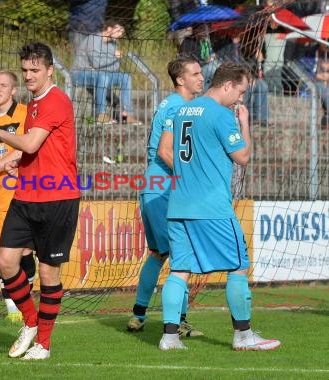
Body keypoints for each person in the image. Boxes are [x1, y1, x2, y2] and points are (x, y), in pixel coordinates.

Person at [159, 61, 281, 351]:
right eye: (240, 92)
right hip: (211, 207)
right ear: (227, 86)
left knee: (179, 269)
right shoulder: (222, 115)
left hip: (178, 204)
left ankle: (169, 337)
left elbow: (173, 150)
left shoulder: (184, 110)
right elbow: (242, 156)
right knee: (239, 265)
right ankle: (244, 335)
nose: (240, 99)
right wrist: (244, 124)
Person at [0, 42, 80, 360]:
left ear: (50, 70)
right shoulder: (34, 103)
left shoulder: (55, 100)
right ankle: (31, 321)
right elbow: (30, 147)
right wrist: (15, 158)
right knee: (6, 262)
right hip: (26, 195)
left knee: (50, 275)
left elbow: (32, 142)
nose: (29, 76)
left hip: (57, 198)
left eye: (35, 70)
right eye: (25, 70)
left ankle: (44, 345)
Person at [127, 57, 204, 337]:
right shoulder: (178, 107)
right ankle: (179, 322)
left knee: (160, 254)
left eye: (201, 73)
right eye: (195, 73)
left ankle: (138, 314)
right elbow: (164, 151)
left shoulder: (172, 104)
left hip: (155, 187)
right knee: (180, 255)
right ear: (180, 80)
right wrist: (191, 178)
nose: (201, 77)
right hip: (163, 189)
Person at [0, 70, 36, 322]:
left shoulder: (25, 114)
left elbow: (25, 149)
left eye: (4, 85)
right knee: (2, 255)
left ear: (13, 90)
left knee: (25, 252)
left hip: (24, 194)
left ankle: (27, 298)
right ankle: (13, 311)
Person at [71, 19, 138, 124]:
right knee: (103, 76)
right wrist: (114, 57)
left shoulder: (113, 44)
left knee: (126, 77)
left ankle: (127, 114)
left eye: (122, 32)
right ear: (109, 29)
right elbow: (97, 63)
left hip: (100, 74)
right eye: (118, 31)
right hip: (80, 74)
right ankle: (101, 114)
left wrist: (112, 60)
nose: (120, 34)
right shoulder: (93, 39)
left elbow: (116, 67)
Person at [217, 32, 269, 126]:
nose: (238, 31)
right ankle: (246, 117)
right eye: (236, 29)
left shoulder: (246, 45)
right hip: (232, 76)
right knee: (245, 86)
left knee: (262, 85)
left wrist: (257, 59)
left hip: (246, 76)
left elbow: (248, 64)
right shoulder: (224, 44)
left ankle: (261, 118)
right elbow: (228, 63)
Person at [179, 23, 219, 91]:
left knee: (218, 66)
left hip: (204, 66)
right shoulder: (188, 41)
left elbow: (209, 54)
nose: (205, 33)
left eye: (206, 30)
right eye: (203, 31)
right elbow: (187, 59)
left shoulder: (204, 42)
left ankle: (208, 91)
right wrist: (206, 60)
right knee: (213, 69)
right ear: (196, 31)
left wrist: (212, 56)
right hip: (193, 68)